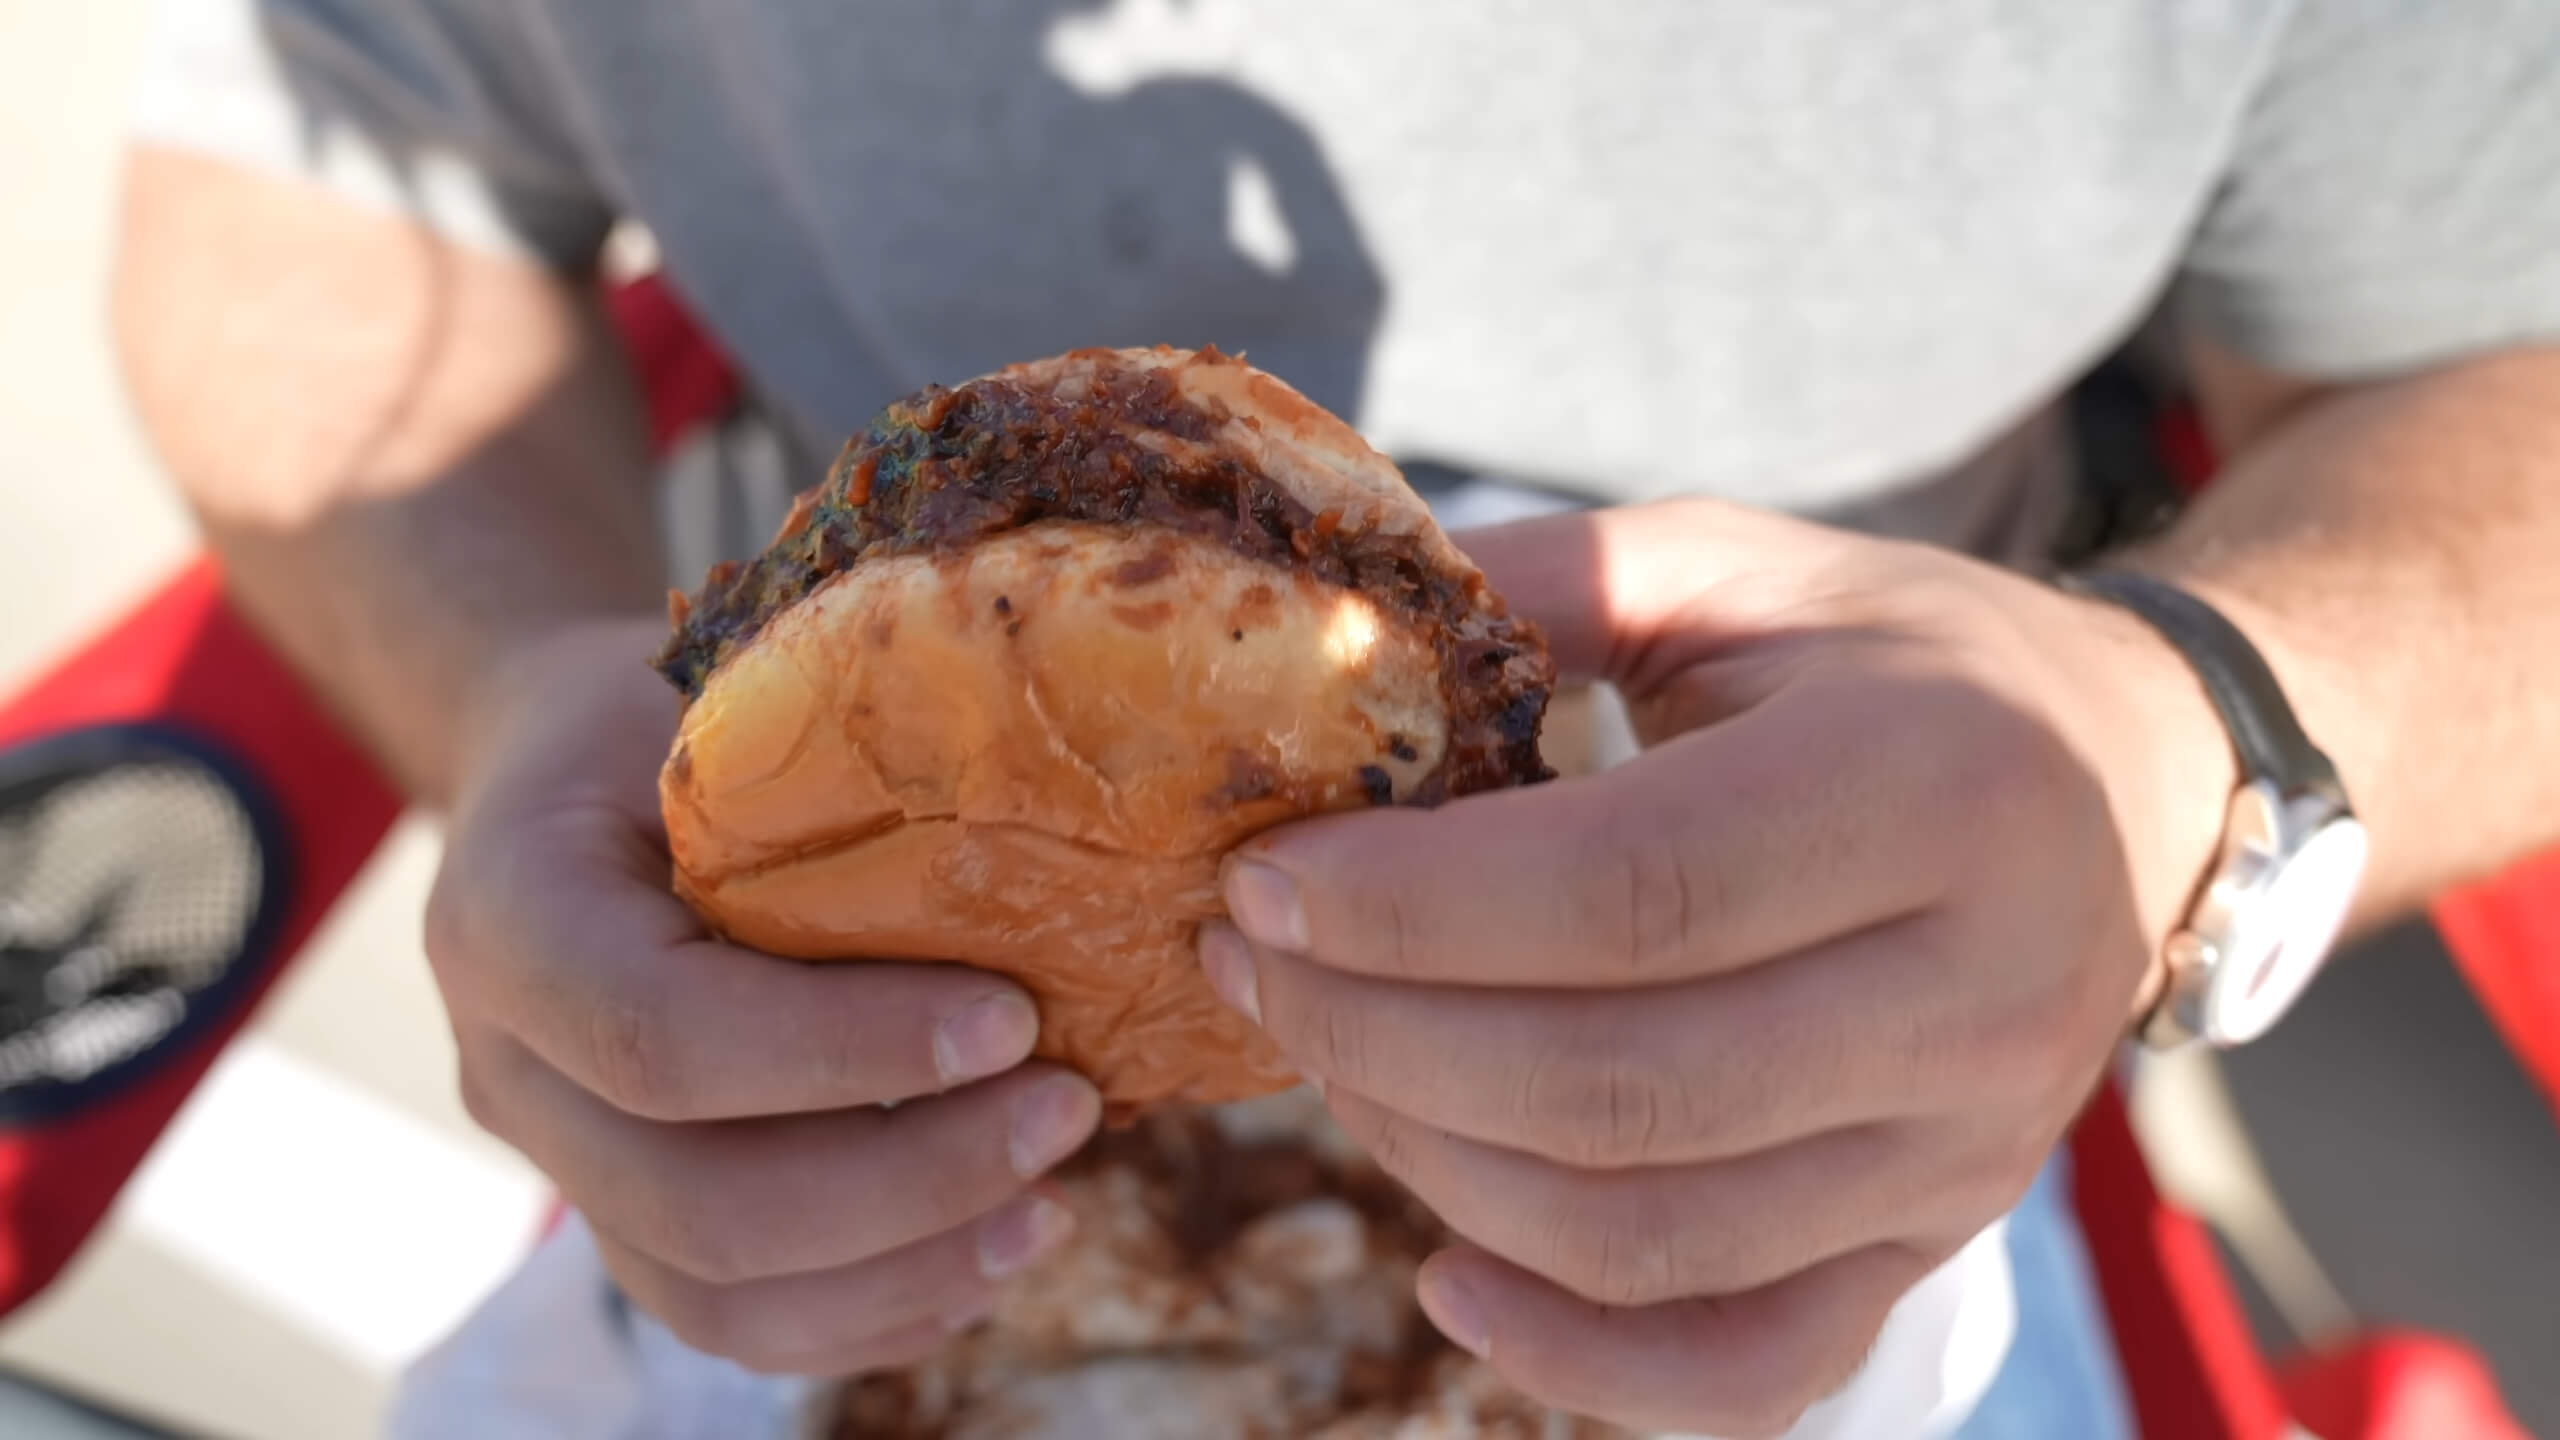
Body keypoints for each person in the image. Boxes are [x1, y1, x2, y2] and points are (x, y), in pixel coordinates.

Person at [113, 1, 2560, 1435]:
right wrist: (508, 687)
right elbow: (307, 173)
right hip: (803, 1017)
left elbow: (2500, 355)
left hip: (1918, 970)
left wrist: (2182, 747)